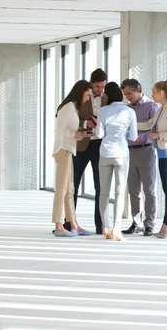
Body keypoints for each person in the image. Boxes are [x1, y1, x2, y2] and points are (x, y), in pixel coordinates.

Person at [65, 68, 108, 234]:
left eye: (102, 86)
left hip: (100, 145)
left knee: (100, 186)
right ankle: (69, 222)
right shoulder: (80, 97)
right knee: (73, 184)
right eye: (97, 86)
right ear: (91, 83)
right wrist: (86, 125)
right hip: (82, 144)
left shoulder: (107, 98)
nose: (100, 90)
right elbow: (72, 118)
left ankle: (100, 225)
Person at [95, 82, 138, 241]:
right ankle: (117, 228)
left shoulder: (102, 111)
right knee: (119, 193)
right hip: (121, 154)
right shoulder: (129, 112)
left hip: (105, 153)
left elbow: (99, 134)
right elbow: (133, 137)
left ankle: (105, 228)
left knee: (104, 193)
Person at [137, 80, 167, 239]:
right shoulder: (162, 109)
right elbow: (149, 124)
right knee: (166, 189)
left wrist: (158, 135)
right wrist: (132, 124)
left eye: (154, 91)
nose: (152, 94)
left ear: (161, 92)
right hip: (162, 152)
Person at [52, 80, 94, 237]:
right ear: (81, 91)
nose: (88, 98)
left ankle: (73, 224)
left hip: (69, 150)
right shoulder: (69, 106)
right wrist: (75, 134)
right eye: (88, 94)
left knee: (70, 189)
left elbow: (68, 129)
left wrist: (79, 134)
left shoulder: (73, 107)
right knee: (61, 189)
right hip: (62, 150)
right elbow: (61, 129)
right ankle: (58, 225)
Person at [120, 79, 159, 236]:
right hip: (130, 152)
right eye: (125, 94)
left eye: (129, 93)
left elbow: (154, 129)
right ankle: (136, 223)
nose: (127, 97)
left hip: (146, 151)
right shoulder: (127, 109)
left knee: (149, 190)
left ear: (138, 90)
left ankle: (149, 224)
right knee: (133, 190)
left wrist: (140, 138)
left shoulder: (151, 106)